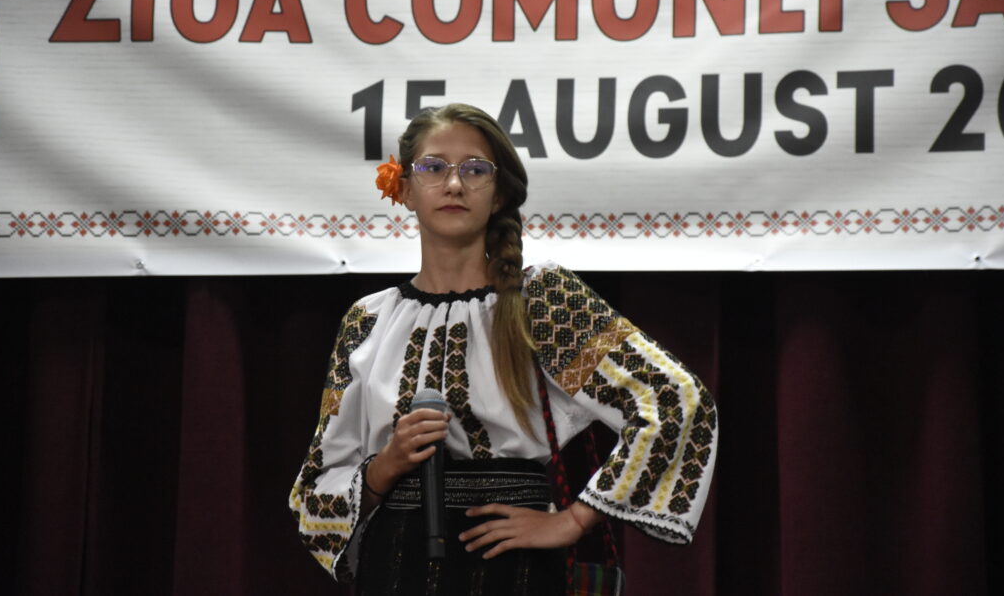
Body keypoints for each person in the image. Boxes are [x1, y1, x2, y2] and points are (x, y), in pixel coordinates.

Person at [289, 103, 718, 595]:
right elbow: (315, 492)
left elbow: (674, 399)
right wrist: (384, 466)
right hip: (395, 566)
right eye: (433, 167)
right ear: (403, 189)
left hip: (512, 565)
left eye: (475, 170)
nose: (454, 184)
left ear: (498, 195)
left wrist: (574, 519)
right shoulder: (368, 319)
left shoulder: (541, 300)